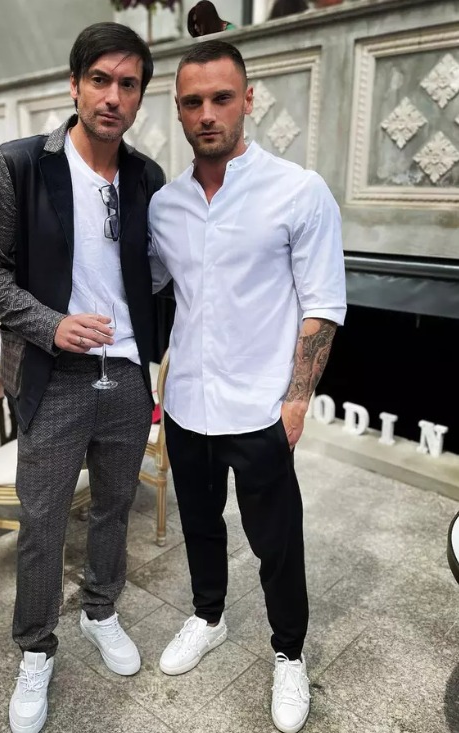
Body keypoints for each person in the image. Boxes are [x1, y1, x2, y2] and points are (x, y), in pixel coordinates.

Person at [0, 22, 165, 733]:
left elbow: (157, 274)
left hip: (127, 374)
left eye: (128, 84)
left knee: (114, 506)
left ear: (139, 96)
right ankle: (35, 647)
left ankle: (100, 610)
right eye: (100, 80)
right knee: (43, 519)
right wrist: (50, 323)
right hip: (53, 376)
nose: (113, 97)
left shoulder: (146, 178)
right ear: (75, 85)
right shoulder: (21, 164)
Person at [148, 40, 346, 733]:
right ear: (178, 110)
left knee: (276, 542)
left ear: (248, 100)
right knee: (199, 526)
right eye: (192, 101)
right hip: (185, 402)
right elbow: (152, 287)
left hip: (260, 407)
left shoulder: (298, 190)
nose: (207, 113)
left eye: (221, 98)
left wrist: (296, 399)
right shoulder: (164, 205)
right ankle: (208, 617)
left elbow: (322, 304)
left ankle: (288, 652)